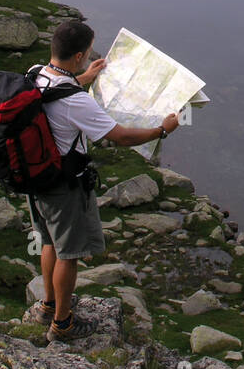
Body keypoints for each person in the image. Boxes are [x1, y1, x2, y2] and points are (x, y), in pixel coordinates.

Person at [28, 18, 179, 341]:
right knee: (69, 253)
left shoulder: (36, 74)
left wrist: (83, 78)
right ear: (80, 54)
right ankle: (63, 323)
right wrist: (162, 130)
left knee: (49, 241)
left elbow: (58, 94)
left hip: (37, 180)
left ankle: (47, 305)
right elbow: (121, 137)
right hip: (65, 187)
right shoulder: (77, 102)